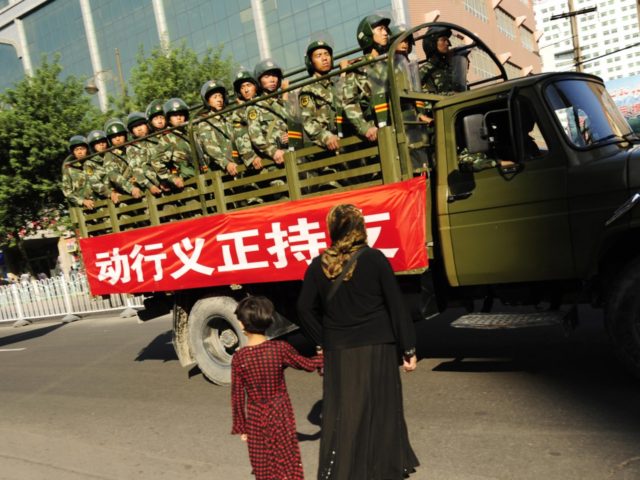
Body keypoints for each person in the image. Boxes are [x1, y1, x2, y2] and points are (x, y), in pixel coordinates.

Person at [297, 204, 419, 479]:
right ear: (360, 228)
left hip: (339, 350)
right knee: (382, 408)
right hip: (379, 346)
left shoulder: (317, 265)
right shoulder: (375, 259)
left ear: (332, 230)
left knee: (345, 411)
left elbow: (304, 308)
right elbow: (396, 305)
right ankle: (383, 467)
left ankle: (345, 470)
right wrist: (408, 348)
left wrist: (322, 340)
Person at [231, 295, 323, 480]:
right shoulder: (279, 349)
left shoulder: (239, 358)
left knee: (262, 464)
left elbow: (237, 396)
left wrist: (242, 426)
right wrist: (324, 356)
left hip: (256, 418)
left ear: (241, 325)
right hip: (280, 413)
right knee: (286, 461)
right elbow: (306, 364)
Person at [342, 14, 391, 143]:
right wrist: (365, 128)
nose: (385, 33)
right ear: (368, 34)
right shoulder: (358, 69)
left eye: (386, 29)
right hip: (377, 133)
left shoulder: (392, 62)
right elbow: (349, 103)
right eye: (380, 29)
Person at [196, 79, 239, 176]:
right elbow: (210, 148)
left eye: (220, 96)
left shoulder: (228, 117)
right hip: (221, 170)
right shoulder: (205, 122)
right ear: (207, 101)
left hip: (237, 163)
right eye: (215, 97)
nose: (219, 100)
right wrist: (226, 164)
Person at [62, 135, 93, 209]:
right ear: (73, 153)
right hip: (82, 208)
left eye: (82, 149)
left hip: (101, 203)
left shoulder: (93, 164)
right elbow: (67, 191)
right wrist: (82, 201)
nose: (79, 152)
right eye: (76, 150)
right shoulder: (69, 169)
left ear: (87, 150)